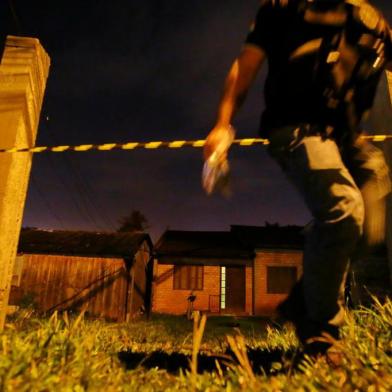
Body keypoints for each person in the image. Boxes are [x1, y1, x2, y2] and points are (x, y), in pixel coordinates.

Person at [203, 0, 392, 356]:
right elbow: (243, 69)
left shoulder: (371, 22)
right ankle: (321, 333)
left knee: (369, 230)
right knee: (344, 209)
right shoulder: (280, 9)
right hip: (295, 128)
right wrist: (222, 123)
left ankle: (304, 300)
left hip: (347, 135)